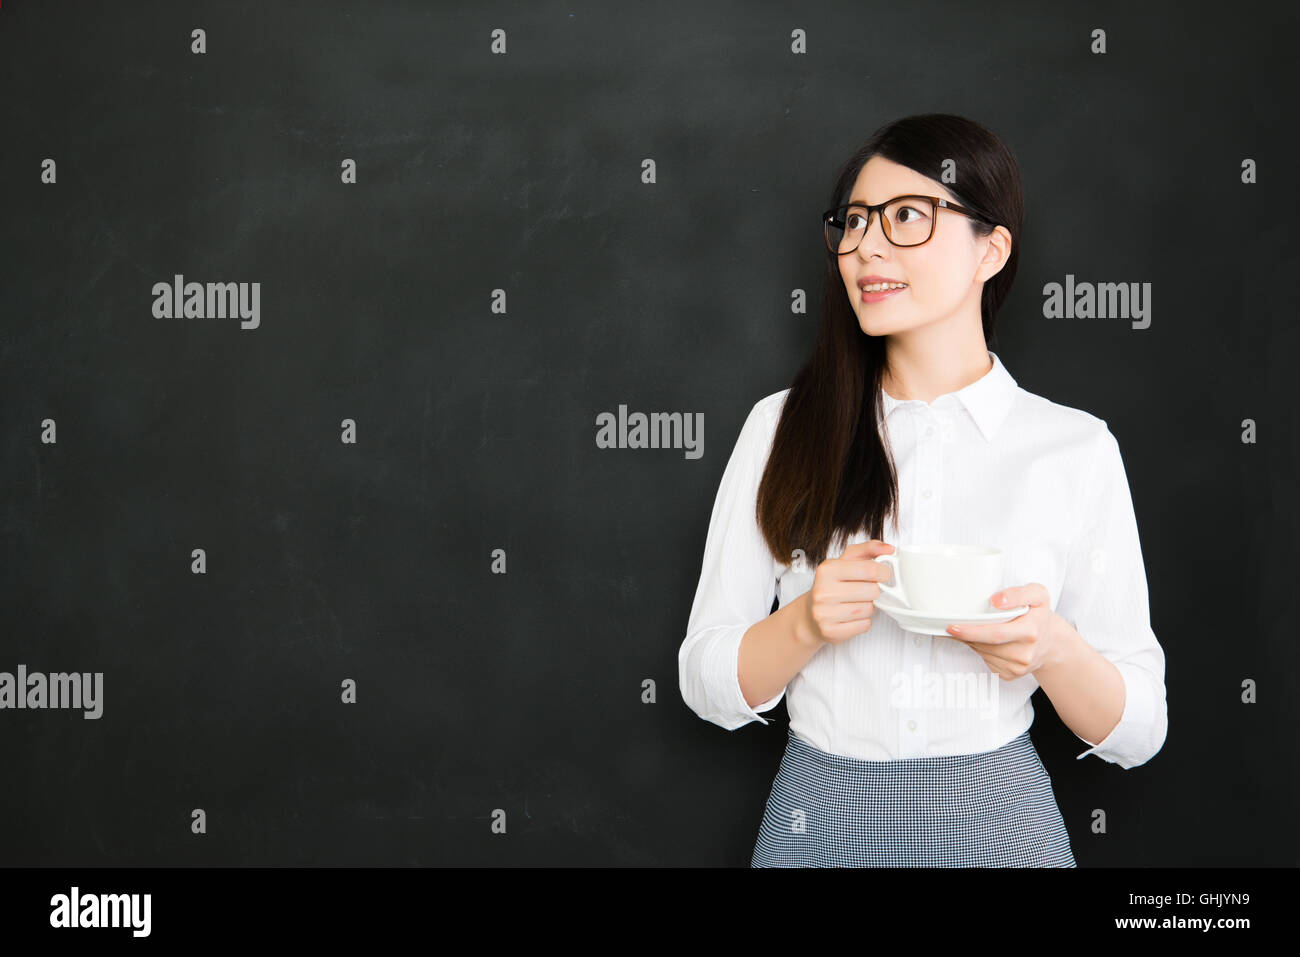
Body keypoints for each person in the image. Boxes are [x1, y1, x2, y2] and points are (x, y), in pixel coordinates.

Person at [677, 113, 1167, 867]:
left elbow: (1140, 731)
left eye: (907, 216)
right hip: (820, 822)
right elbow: (704, 680)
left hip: (1003, 825)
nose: (866, 246)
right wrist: (804, 622)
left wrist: (1051, 648)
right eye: (854, 222)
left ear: (990, 249)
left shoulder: (1074, 449)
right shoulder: (781, 426)